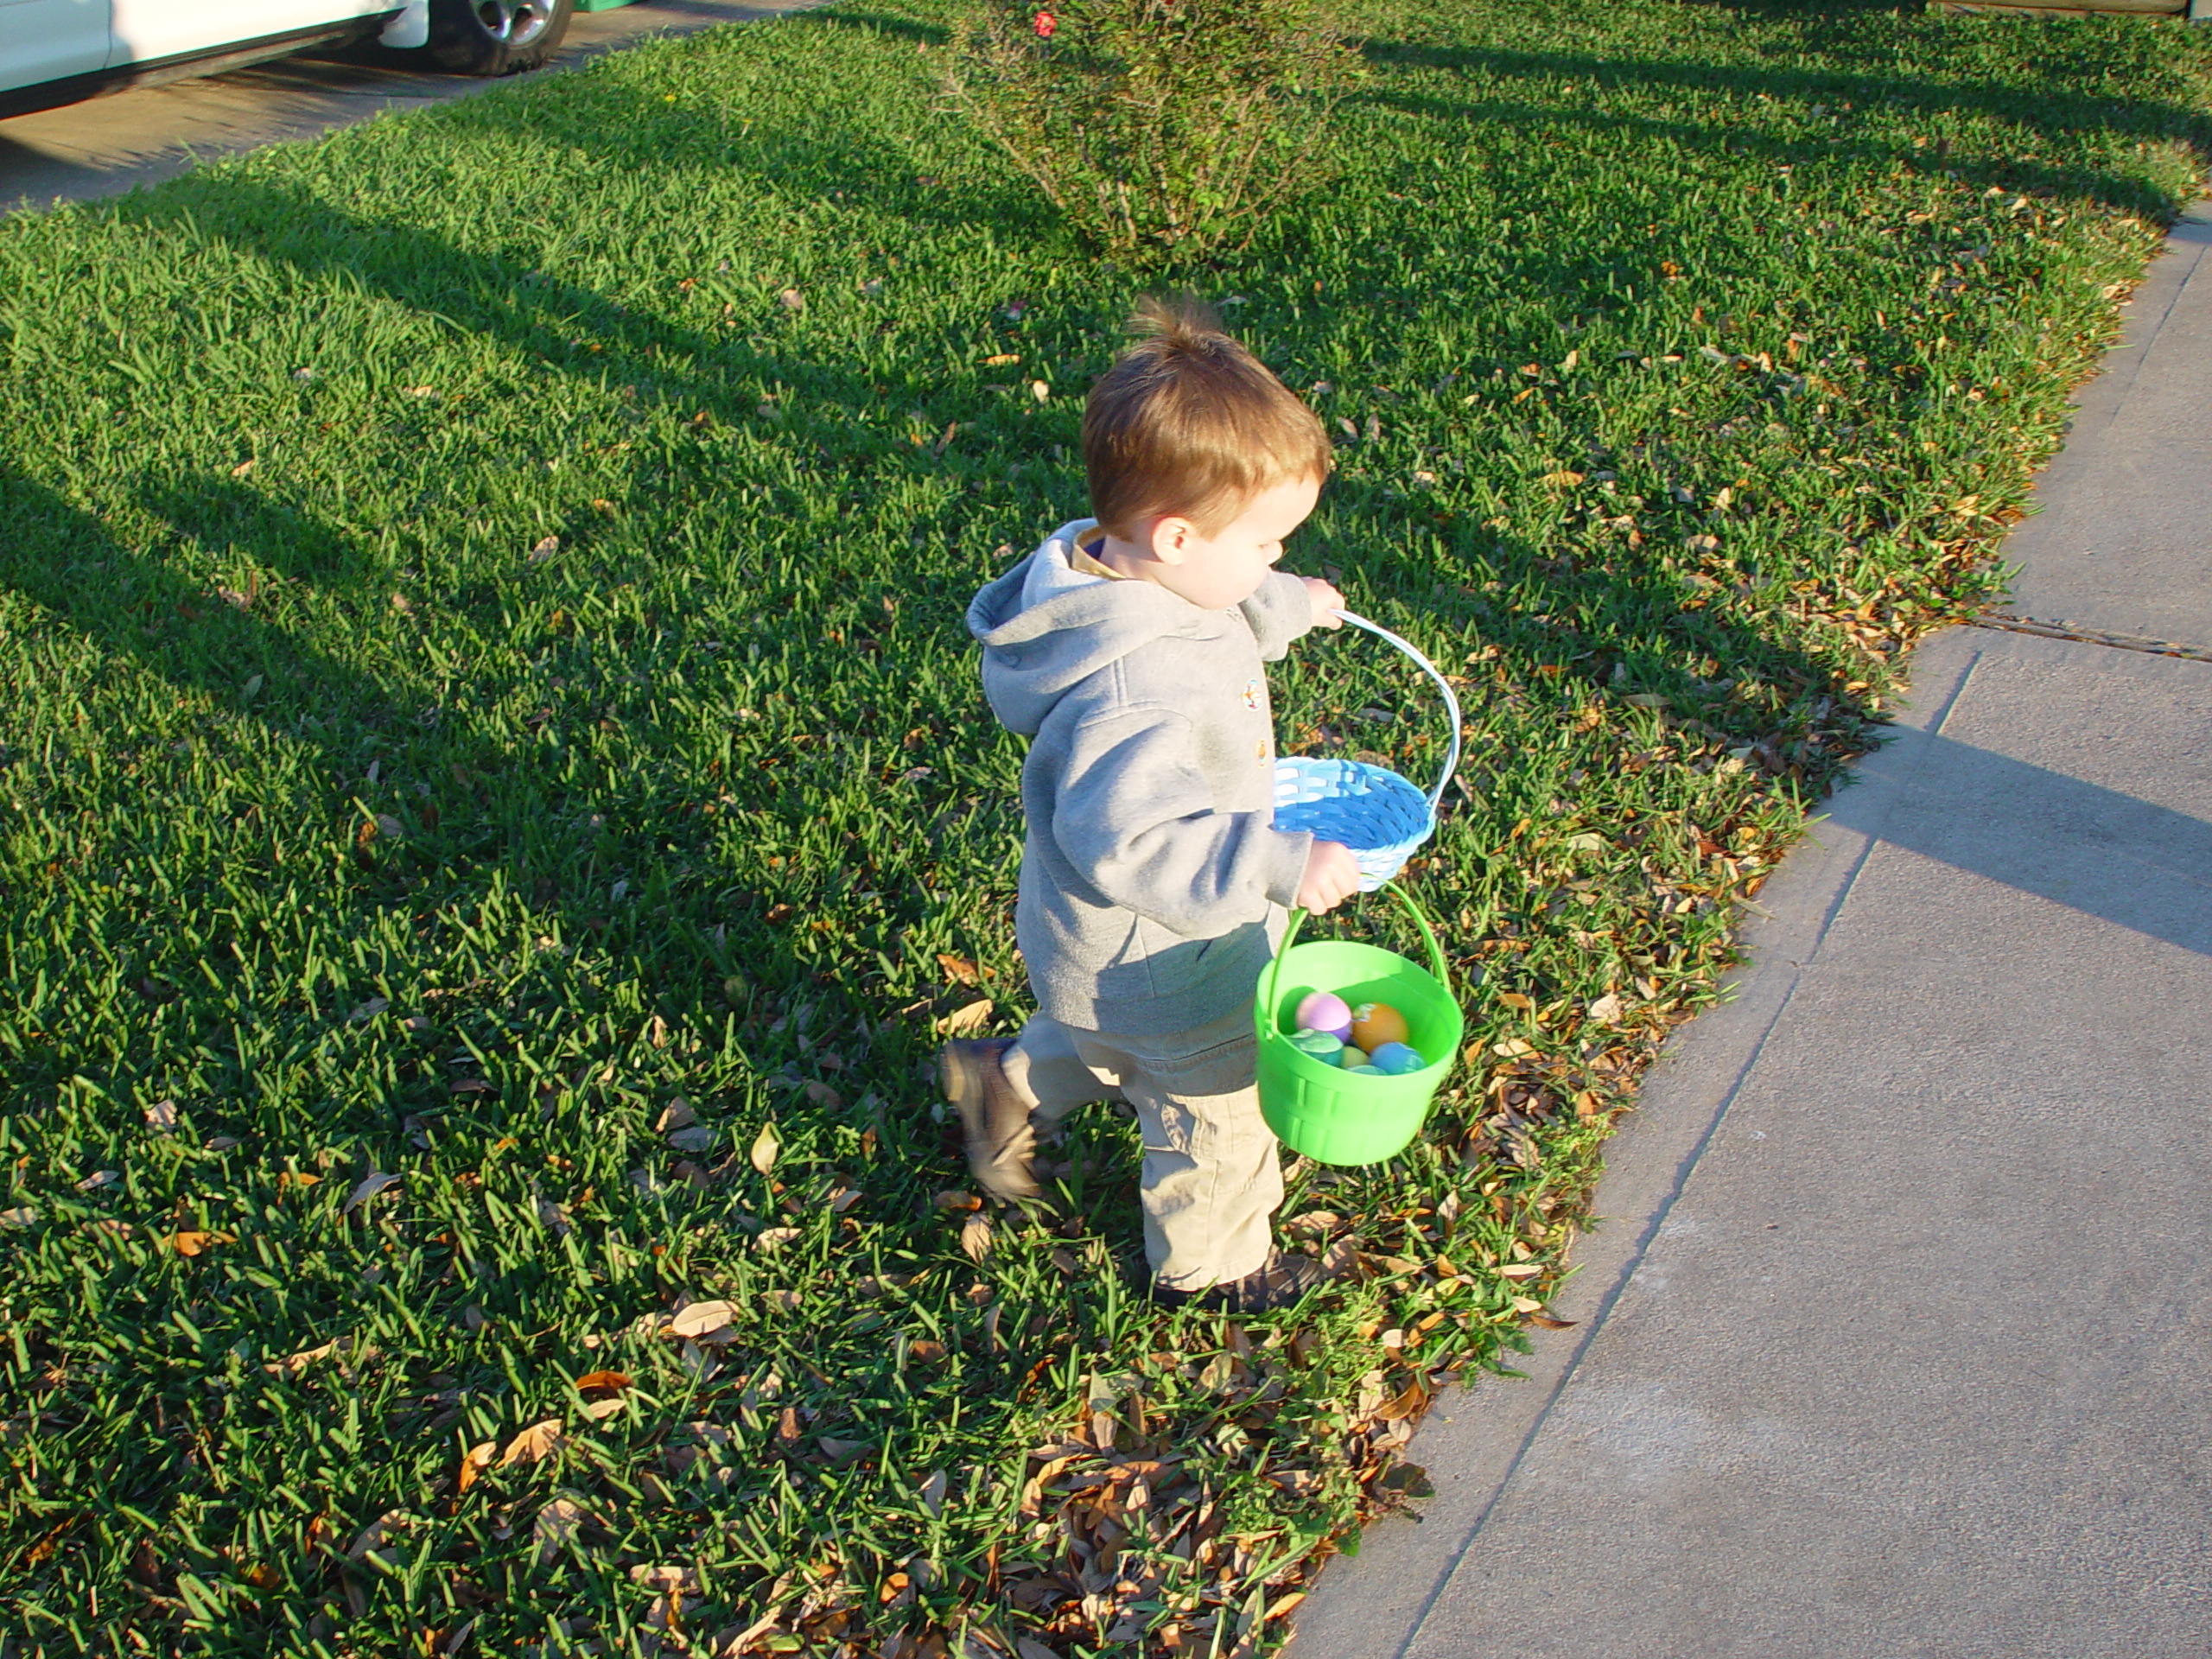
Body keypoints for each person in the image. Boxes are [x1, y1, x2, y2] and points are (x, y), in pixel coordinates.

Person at [942, 296, 1363, 1314]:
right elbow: (1135, 837)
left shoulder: (1126, 581)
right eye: (1265, 546)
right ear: (1177, 538)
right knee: (1215, 1106)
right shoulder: (1128, 695)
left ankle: (1001, 1080)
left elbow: (1207, 611)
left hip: (1100, 954)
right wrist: (1273, 864)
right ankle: (1212, 1271)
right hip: (1170, 952)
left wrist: (1280, 602)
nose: (1271, 559)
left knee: (1100, 1040)